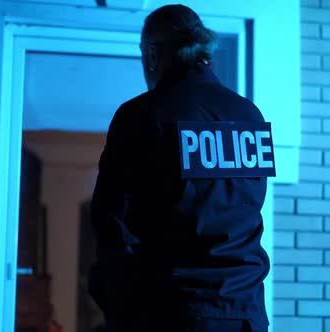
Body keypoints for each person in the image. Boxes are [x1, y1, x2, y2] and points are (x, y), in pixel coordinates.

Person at [87, 4, 275, 332]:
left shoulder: (142, 115)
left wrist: (117, 305)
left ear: (152, 54)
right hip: (247, 315)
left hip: (173, 314)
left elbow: (111, 224)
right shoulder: (249, 115)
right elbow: (246, 212)